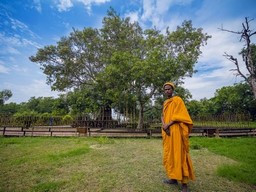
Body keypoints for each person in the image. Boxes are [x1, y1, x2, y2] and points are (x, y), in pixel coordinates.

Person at [161, 82, 195, 192]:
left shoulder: (177, 100)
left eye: (169, 89)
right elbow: (164, 116)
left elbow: (180, 116)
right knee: (170, 154)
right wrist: (164, 126)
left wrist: (168, 125)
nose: (167, 91)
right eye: (165, 89)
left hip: (176, 131)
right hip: (168, 132)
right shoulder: (166, 102)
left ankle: (184, 185)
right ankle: (173, 178)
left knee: (179, 155)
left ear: (173, 89)